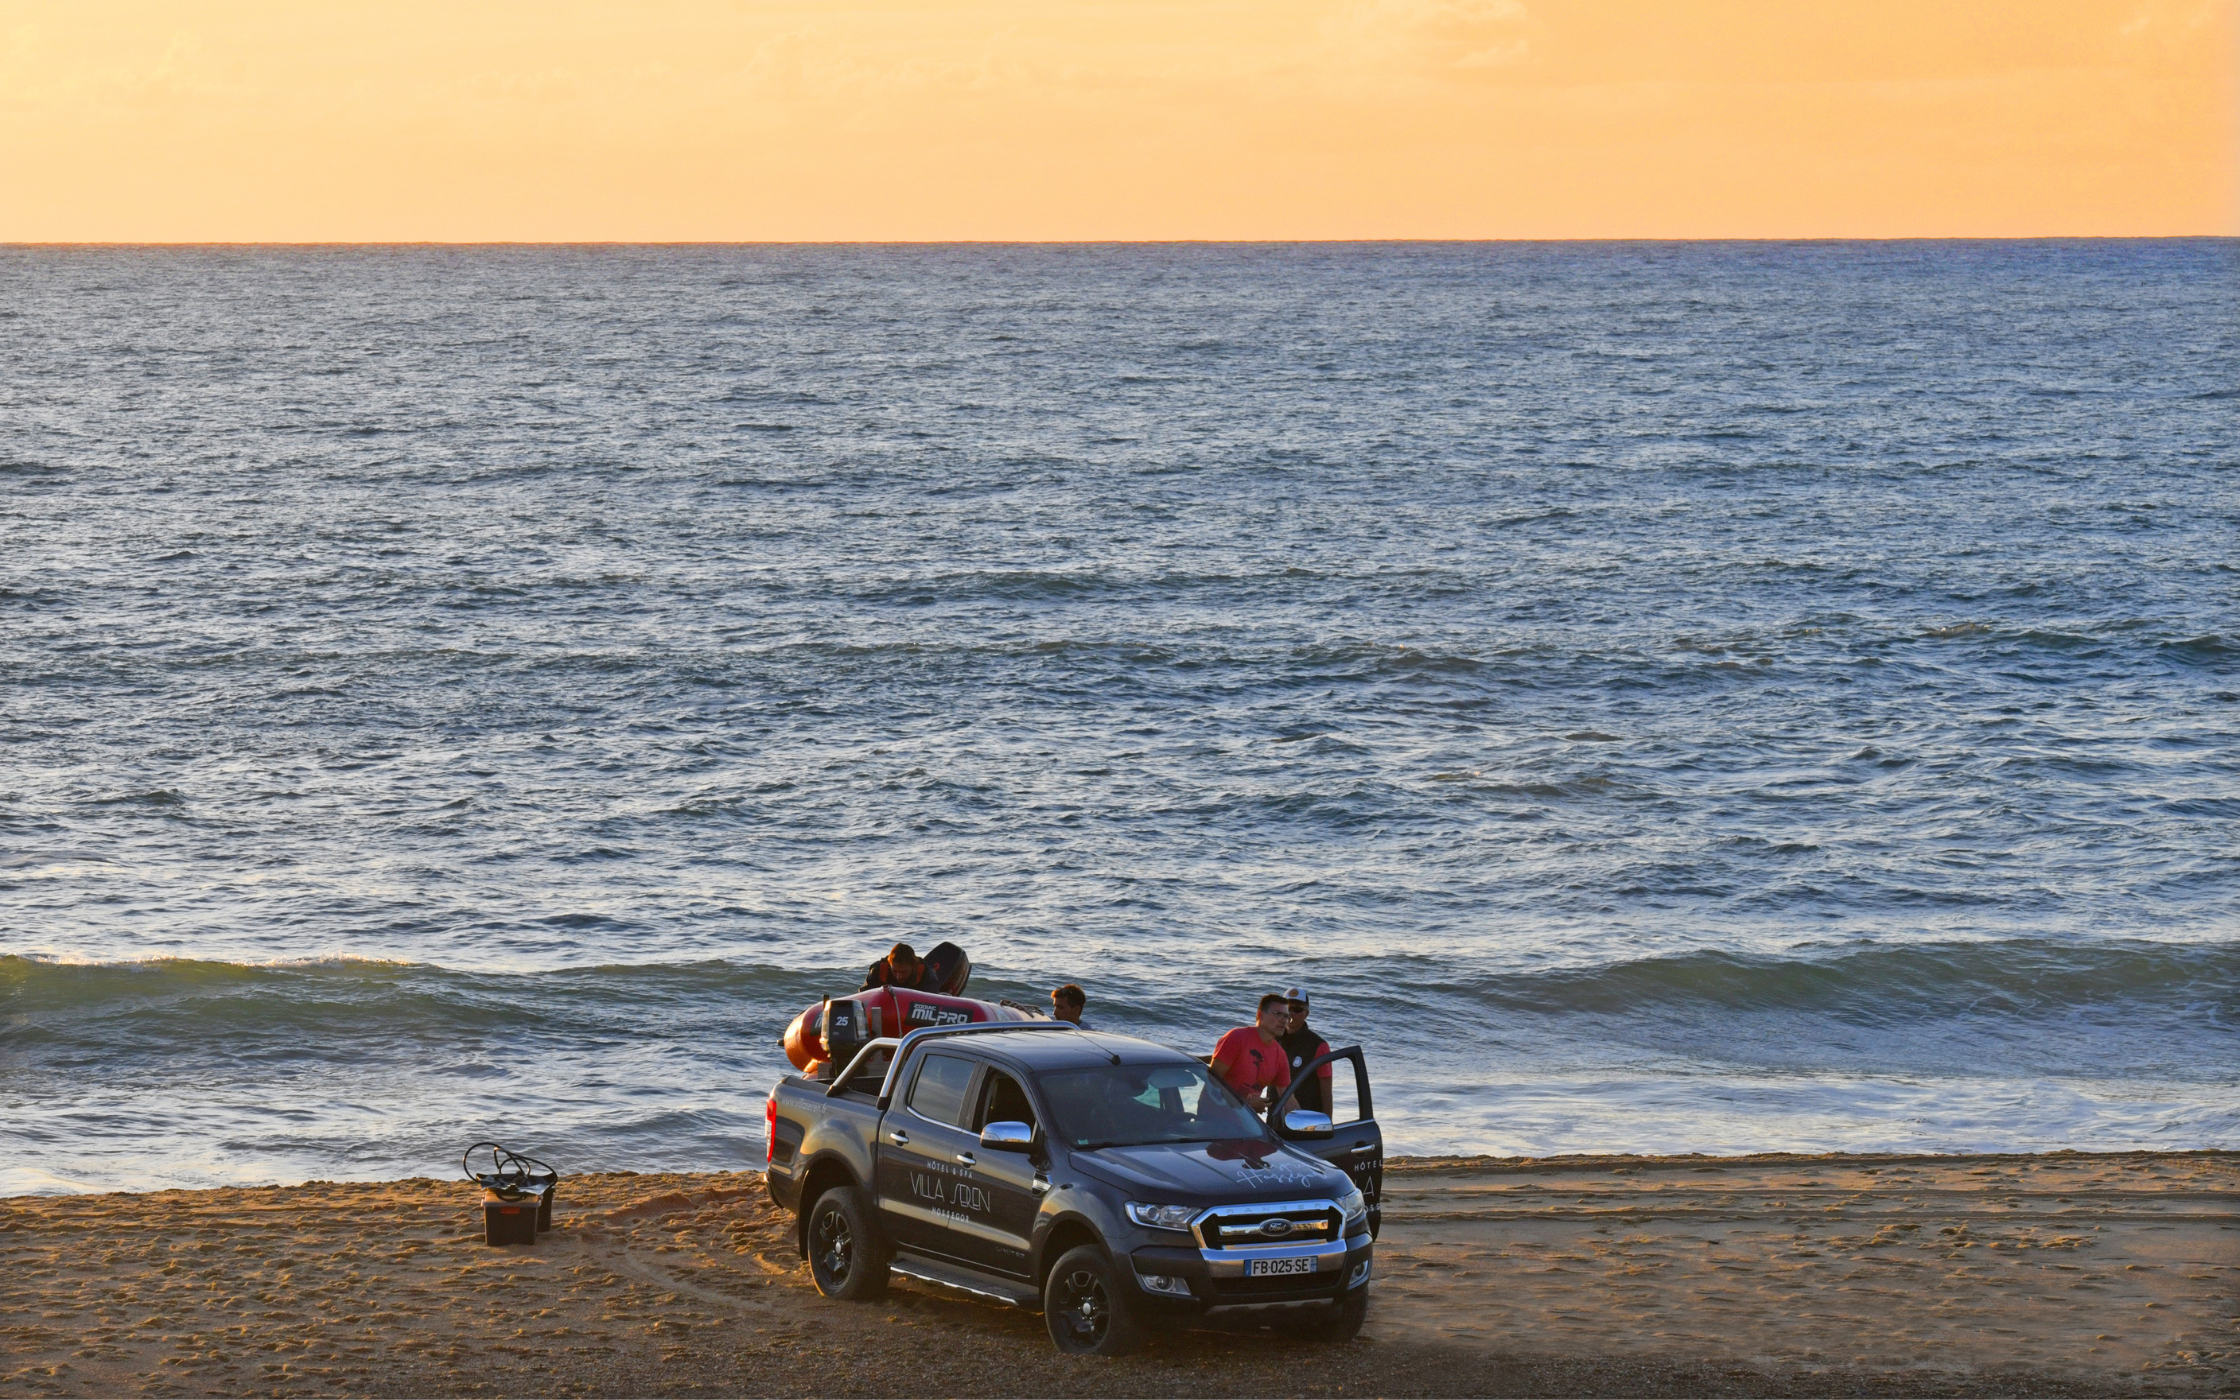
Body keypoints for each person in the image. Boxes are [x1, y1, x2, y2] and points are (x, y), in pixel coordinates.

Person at [1209, 993, 1292, 1113]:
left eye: (1286, 1016)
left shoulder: (1280, 1055)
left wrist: (1307, 1127)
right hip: (1214, 1117)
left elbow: (1288, 1099)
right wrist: (1246, 1103)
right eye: (1278, 1014)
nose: (1284, 1021)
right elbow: (1211, 1083)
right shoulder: (1237, 1038)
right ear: (1260, 1015)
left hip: (1246, 1121)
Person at [1276, 986, 1334, 1117]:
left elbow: (1326, 1093)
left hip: (1307, 1121)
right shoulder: (1273, 1040)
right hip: (1275, 1120)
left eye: (1297, 1009)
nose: (1291, 1013)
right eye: (1287, 1009)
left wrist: (1327, 1126)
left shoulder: (1318, 1045)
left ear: (1306, 1014)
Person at [859, 942, 933, 992]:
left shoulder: (926, 973)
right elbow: (864, 996)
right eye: (894, 971)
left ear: (913, 966)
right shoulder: (877, 970)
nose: (899, 977)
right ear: (889, 965)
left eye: (904, 972)